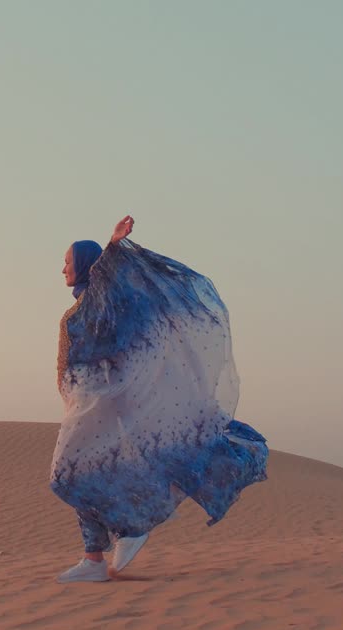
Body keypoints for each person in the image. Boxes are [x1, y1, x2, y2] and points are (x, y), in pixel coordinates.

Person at [52, 215, 269, 583]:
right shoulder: (84, 306)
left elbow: (109, 284)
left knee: (65, 476)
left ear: (87, 266)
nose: (63, 270)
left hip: (105, 404)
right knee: (85, 475)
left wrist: (113, 247)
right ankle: (96, 556)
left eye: (69, 263)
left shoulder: (100, 303)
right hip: (86, 406)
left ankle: (131, 528)